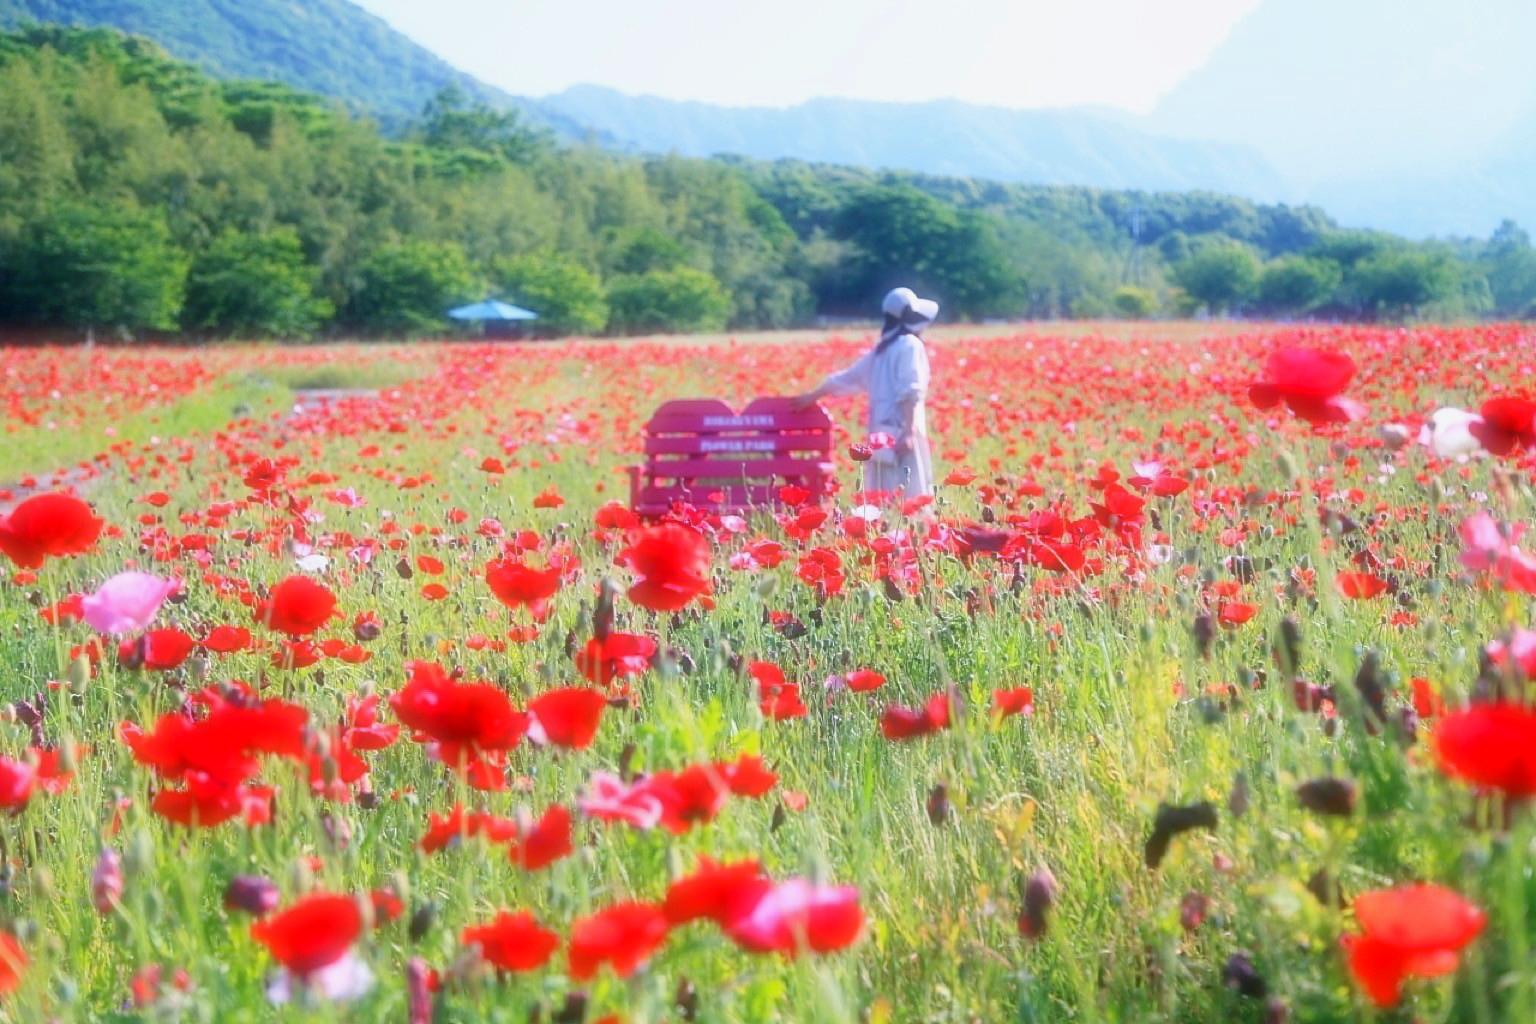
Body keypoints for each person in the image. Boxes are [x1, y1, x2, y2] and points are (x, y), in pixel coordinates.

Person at [794, 287, 935, 500]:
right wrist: (909, 431)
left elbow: (847, 378)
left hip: (880, 431)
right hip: (901, 429)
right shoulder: (909, 345)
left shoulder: (883, 349)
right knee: (910, 493)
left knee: (884, 492)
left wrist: (813, 396)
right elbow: (910, 392)